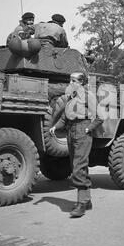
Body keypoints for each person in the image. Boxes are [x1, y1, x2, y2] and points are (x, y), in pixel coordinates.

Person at [49, 72, 103, 218]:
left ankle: (81, 204)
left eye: (73, 80)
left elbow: (99, 117)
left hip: (82, 131)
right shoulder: (71, 97)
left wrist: (88, 128)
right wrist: (56, 127)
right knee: (78, 167)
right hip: (71, 132)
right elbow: (64, 117)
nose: (70, 83)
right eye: (70, 80)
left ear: (81, 83)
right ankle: (87, 200)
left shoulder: (88, 96)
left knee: (78, 168)